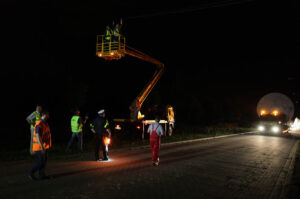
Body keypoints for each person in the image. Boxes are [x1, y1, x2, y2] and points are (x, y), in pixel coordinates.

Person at [28, 110, 51, 180]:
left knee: (44, 162)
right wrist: (42, 147)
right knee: (40, 162)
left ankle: (42, 175)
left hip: (44, 146)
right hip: (40, 147)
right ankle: (30, 173)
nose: (49, 116)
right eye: (48, 114)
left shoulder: (45, 123)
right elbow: (38, 136)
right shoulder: (39, 124)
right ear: (44, 115)